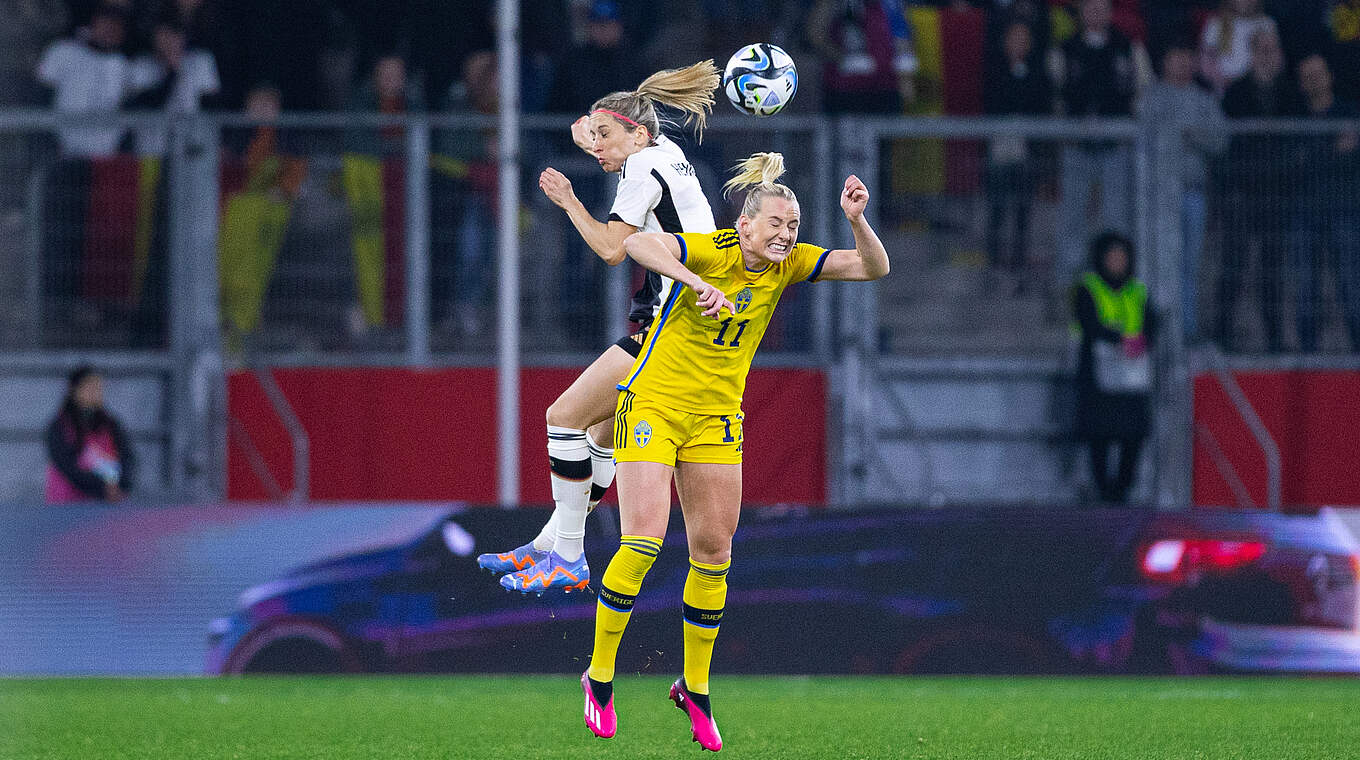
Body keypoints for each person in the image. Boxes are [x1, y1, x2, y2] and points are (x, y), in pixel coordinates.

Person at [580, 153, 889, 750]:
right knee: (642, 540)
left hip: (717, 419)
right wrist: (694, 283)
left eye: (794, 225)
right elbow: (638, 246)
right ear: (743, 225)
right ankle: (599, 677)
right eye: (776, 223)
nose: (786, 235)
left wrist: (856, 220)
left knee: (714, 552)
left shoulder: (790, 264)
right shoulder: (714, 249)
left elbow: (873, 267)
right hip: (652, 404)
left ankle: (694, 687)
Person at [475, 61, 723, 594]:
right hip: (688, 321)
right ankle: (549, 541)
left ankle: (567, 554)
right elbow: (617, 141)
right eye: (595, 138)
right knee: (600, 435)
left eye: (606, 136)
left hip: (673, 323)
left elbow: (613, 249)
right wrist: (596, 135)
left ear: (637, 132)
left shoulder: (640, 169)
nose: (599, 148)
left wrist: (568, 201)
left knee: (562, 418)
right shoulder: (666, 154)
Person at [1053, 0, 1150, 288]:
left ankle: (1114, 285)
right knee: (1072, 221)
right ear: (1081, 12)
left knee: (1115, 219)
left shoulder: (1128, 47)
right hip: (1076, 148)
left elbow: (1143, 89)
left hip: (1115, 149)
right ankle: (1069, 287)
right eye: (1089, 7)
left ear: (1110, 11)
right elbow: (1055, 95)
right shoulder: (1064, 49)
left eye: (1101, 7)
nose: (1095, 12)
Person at [1216, 26, 1296, 352]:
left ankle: (1274, 337)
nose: (1266, 55)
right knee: (1233, 265)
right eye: (1260, 49)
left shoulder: (1290, 93)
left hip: (1277, 194)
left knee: (1272, 270)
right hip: (1243, 193)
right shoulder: (1236, 92)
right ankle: (1222, 334)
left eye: (1271, 49)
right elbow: (1226, 144)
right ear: (1251, 53)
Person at [1138, 42, 1226, 341]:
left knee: (1190, 263)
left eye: (1186, 57)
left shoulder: (1205, 100)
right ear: (1165, 62)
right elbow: (1145, 139)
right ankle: (1157, 326)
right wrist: (1175, 136)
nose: (1181, 63)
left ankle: (1186, 328)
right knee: (1160, 261)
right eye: (1175, 57)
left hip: (1193, 193)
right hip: (1158, 195)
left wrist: (1190, 134)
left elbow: (1219, 141)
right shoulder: (1152, 98)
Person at [1072, 232, 1155, 504]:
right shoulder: (1089, 287)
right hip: (1098, 375)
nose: (1117, 262)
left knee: (1133, 433)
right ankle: (1102, 491)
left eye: (1122, 257)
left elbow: (1151, 324)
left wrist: (1140, 342)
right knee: (1100, 433)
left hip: (1131, 375)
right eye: (1112, 257)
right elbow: (1087, 322)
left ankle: (1122, 490)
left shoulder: (1137, 290)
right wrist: (1120, 339)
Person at [1286, 53, 1360, 352]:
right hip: (1305, 212)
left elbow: (1350, 159)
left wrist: (1317, 154)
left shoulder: (1349, 112)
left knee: (1350, 283)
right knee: (1306, 287)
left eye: (1318, 72)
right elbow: (1293, 164)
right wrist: (1333, 150)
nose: (1314, 79)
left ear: (1329, 75)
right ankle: (1308, 353)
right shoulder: (1294, 118)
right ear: (1301, 84)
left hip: (1345, 210)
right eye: (1307, 75)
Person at [982, 19, 1052, 291]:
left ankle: (1019, 263)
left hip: (1026, 148)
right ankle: (995, 263)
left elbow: (1040, 104)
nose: (1019, 44)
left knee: (1023, 206)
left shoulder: (1037, 73)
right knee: (997, 205)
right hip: (1000, 145)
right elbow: (993, 101)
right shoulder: (995, 70)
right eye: (1014, 38)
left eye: (1024, 39)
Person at [45, 366, 136, 503]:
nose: (95, 393)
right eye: (89, 387)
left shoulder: (111, 424)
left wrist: (121, 484)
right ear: (74, 390)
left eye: (99, 388)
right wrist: (102, 487)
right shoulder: (60, 426)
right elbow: (67, 466)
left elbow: (127, 458)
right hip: (67, 504)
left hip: (106, 503)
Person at [1198, 0, 1279, 97]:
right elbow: (1206, 60)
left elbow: (1275, 58)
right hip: (1224, 88)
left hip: (1257, 87)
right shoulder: (1216, 23)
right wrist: (1220, 80)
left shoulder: (1266, 23)